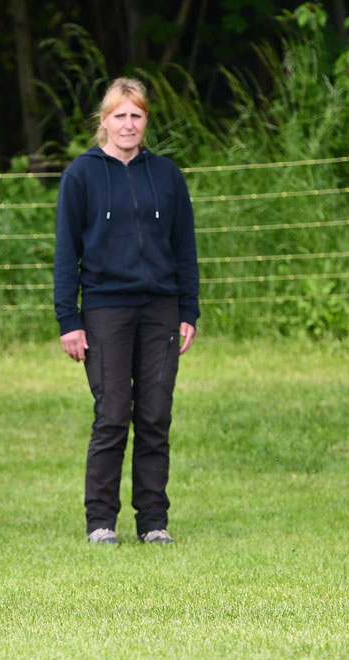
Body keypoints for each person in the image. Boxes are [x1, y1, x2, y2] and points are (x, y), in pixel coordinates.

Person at [53, 77, 199, 546]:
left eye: (137, 115)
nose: (129, 124)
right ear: (104, 121)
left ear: (145, 121)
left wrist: (188, 311)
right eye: (120, 115)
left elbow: (185, 250)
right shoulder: (81, 175)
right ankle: (101, 522)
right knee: (113, 414)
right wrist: (68, 321)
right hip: (104, 310)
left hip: (160, 310)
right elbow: (64, 253)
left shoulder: (168, 176)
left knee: (155, 415)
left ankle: (153, 522)